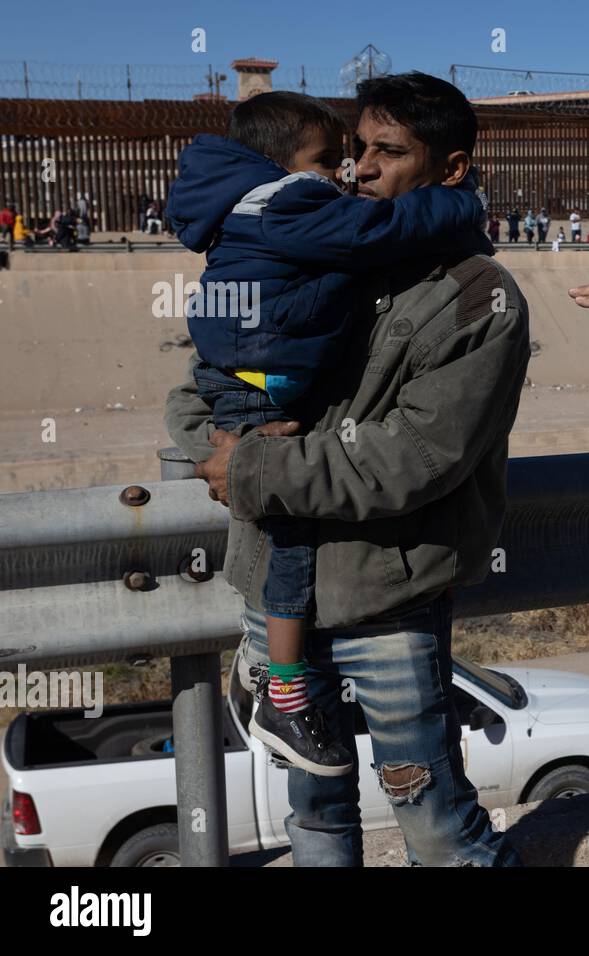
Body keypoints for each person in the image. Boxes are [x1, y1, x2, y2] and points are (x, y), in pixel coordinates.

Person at [166, 73, 528, 867]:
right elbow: (200, 391)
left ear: (452, 169)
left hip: (385, 604)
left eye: (386, 152)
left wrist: (252, 468)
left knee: (433, 817)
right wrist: (213, 447)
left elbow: (413, 459)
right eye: (355, 150)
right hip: (274, 595)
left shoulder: (479, 298)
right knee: (314, 816)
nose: (359, 169)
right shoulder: (314, 250)